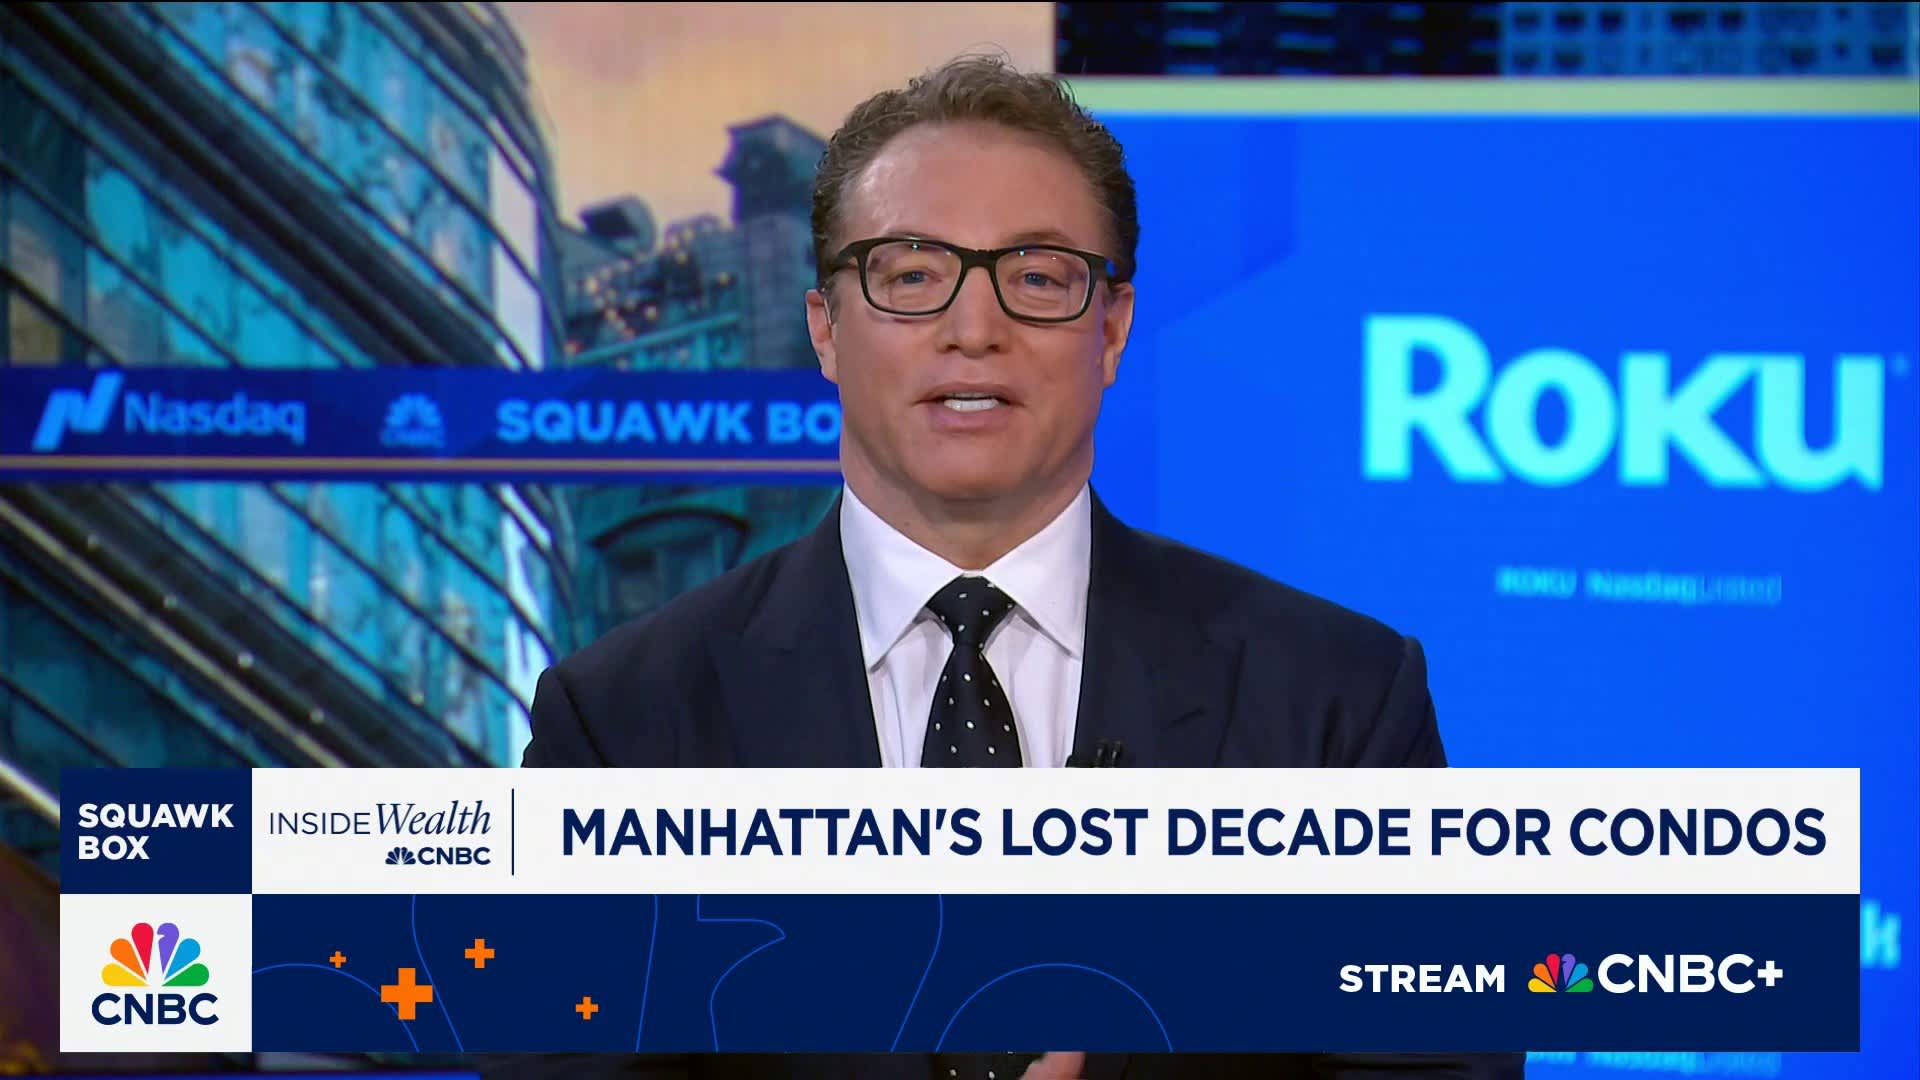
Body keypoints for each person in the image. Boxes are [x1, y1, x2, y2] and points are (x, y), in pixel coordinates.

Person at [521, 54, 1522, 1080]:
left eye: (1038, 278)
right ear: (825, 329)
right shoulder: (621, 725)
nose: (973, 331)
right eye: (912, 276)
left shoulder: (1337, 703)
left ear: (1112, 330)